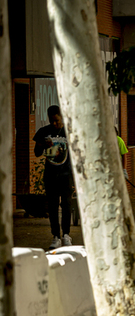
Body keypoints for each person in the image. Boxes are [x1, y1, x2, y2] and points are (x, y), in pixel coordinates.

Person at [33, 105, 74, 249]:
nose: (55, 124)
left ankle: (66, 235)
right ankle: (56, 236)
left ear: (62, 117)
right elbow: (37, 152)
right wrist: (43, 144)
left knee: (67, 204)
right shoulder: (44, 132)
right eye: (52, 121)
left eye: (57, 121)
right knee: (53, 206)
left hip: (66, 174)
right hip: (51, 174)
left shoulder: (70, 131)